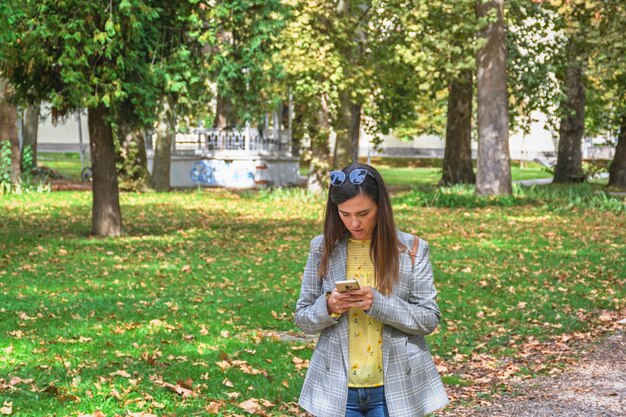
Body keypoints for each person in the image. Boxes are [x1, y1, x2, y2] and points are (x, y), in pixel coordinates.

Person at [295, 163, 449, 417]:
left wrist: (377, 303)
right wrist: (329, 307)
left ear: (381, 206)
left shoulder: (412, 249)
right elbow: (302, 318)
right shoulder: (322, 248)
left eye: (363, 213)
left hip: (394, 388)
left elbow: (429, 319)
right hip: (337, 389)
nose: (354, 222)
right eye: (345, 214)